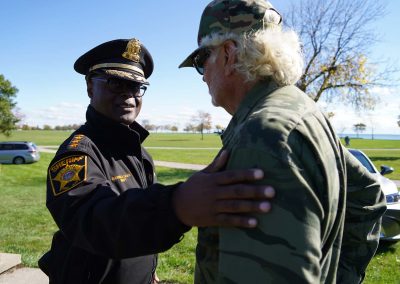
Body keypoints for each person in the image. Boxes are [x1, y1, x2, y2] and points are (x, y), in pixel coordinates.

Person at [38, 37, 277, 284]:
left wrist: (149, 272)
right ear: (90, 87)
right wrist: (177, 205)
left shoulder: (141, 155)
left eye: (136, 86)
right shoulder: (76, 155)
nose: (128, 95)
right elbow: (94, 222)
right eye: (115, 83)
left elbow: (138, 223)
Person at [179, 0, 386, 283]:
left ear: (228, 54)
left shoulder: (263, 137)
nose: (202, 76)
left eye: (203, 60)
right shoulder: (301, 108)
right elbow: (368, 194)